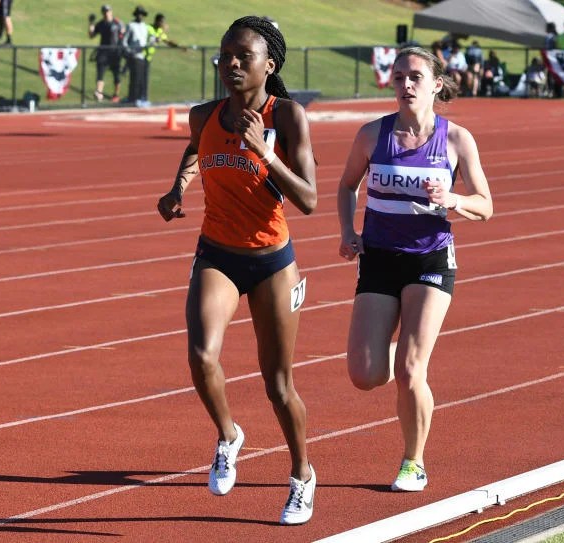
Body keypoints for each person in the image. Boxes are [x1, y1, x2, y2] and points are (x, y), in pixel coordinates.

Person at [155, 15, 318, 525]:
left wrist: (264, 152)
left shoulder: (287, 116)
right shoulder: (203, 115)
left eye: (242, 56)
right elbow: (192, 151)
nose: (229, 64)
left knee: (278, 385)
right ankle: (228, 435)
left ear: (268, 65)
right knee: (202, 356)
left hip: (272, 262)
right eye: (224, 55)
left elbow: (309, 200)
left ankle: (302, 476)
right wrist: (177, 189)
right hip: (217, 254)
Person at [336, 46, 493, 492]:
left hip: (430, 258)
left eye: (416, 77)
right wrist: (348, 231)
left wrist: (454, 201)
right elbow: (347, 185)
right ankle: (402, 349)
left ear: (435, 85)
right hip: (380, 258)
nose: (406, 84)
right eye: (399, 76)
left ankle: (413, 461)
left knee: (409, 371)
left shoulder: (456, 140)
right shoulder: (372, 135)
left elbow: (486, 205)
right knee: (365, 375)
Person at [88, 4, 123, 102]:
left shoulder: (117, 23)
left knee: (116, 75)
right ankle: (99, 93)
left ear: (111, 11)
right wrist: (91, 24)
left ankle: (116, 94)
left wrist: (122, 49)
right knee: (100, 73)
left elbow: (123, 35)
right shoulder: (101, 24)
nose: (106, 13)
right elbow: (91, 35)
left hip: (115, 53)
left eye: (107, 11)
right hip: (103, 52)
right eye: (104, 12)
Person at [122, 5, 154, 106]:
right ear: (136, 15)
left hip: (142, 55)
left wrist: (151, 42)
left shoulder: (145, 27)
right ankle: (133, 98)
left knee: (142, 78)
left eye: (142, 14)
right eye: (139, 14)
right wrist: (129, 51)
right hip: (133, 55)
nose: (140, 16)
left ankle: (141, 97)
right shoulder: (131, 25)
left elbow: (149, 39)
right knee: (134, 78)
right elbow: (124, 41)